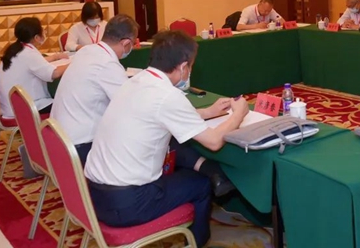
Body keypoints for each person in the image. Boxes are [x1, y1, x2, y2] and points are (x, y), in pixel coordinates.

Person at [84, 30, 250, 247]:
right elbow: (214, 141)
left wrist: (208, 112)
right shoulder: (167, 95)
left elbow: (162, 115)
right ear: (183, 67)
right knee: (200, 184)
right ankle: (198, 241)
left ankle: (211, 175)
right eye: (190, 66)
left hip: (93, 196)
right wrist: (239, 113)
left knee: (173, 145)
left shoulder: (136, 81)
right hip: (127, 204)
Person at [50, 15, 138, 165]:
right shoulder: (107, 64)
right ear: (126, 43)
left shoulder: (86, 51)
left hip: (58, 138)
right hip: (80, 147)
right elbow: (130, 106)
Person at [0, 17, 69, 118]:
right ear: (36, 37)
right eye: (42, 30)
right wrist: (73, 63)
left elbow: (32, 64)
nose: (44, 32)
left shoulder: (17, 49)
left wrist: (55, 57)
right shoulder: (28, 54)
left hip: (11, 106)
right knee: (68, 103)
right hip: (25, 108)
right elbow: (54, 73)